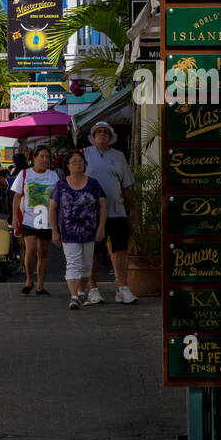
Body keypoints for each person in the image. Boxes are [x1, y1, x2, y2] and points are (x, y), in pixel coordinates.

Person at [82, 121, 139, 305]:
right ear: (93, 136)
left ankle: (122, 288)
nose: (102, 134)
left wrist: (133, 210)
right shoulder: (84, 154)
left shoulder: (119, 156)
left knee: (121, 250)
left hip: (117, 210)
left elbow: (127, 185)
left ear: (111, 136)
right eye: (98, 131)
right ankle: (93, 290)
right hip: (91, 213)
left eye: (105, 132)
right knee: (93, 252)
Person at [49, 149, 107, 310]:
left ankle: (81, 292)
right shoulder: (61, 185)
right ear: (67, 165)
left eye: (80, 161)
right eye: (74, 161)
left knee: (87, 265)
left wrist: (101, 227)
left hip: (89, 231)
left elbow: (102, 205)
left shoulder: (93, 183)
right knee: (73, 263)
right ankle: (74, 296)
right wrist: (54, 230)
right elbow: (53, 208)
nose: (78, 164)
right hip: (68, 231)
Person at [11, 146, 59, 295]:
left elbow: (58, 198)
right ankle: (29, 281)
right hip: (29, 219)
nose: (44, 160)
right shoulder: (25, 174)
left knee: (43, 252)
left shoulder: (53, 176)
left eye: (47, 157)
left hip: (47, 220)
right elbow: (17, 197)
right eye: (42, 156)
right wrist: (14, 218)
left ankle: (40, 285)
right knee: (30, 250)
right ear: (34, 158)